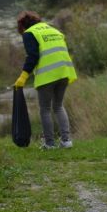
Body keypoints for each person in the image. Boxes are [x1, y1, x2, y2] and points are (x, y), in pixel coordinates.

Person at [14, 11, 77, 149]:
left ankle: (49, 144)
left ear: (22, 26)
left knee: (45, 109)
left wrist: (23, 76)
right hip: (64, 72)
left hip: (47, 75)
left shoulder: (29, 33)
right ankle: (66, 141)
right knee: (58, 106)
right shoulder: (53, 30)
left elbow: (33, 56)